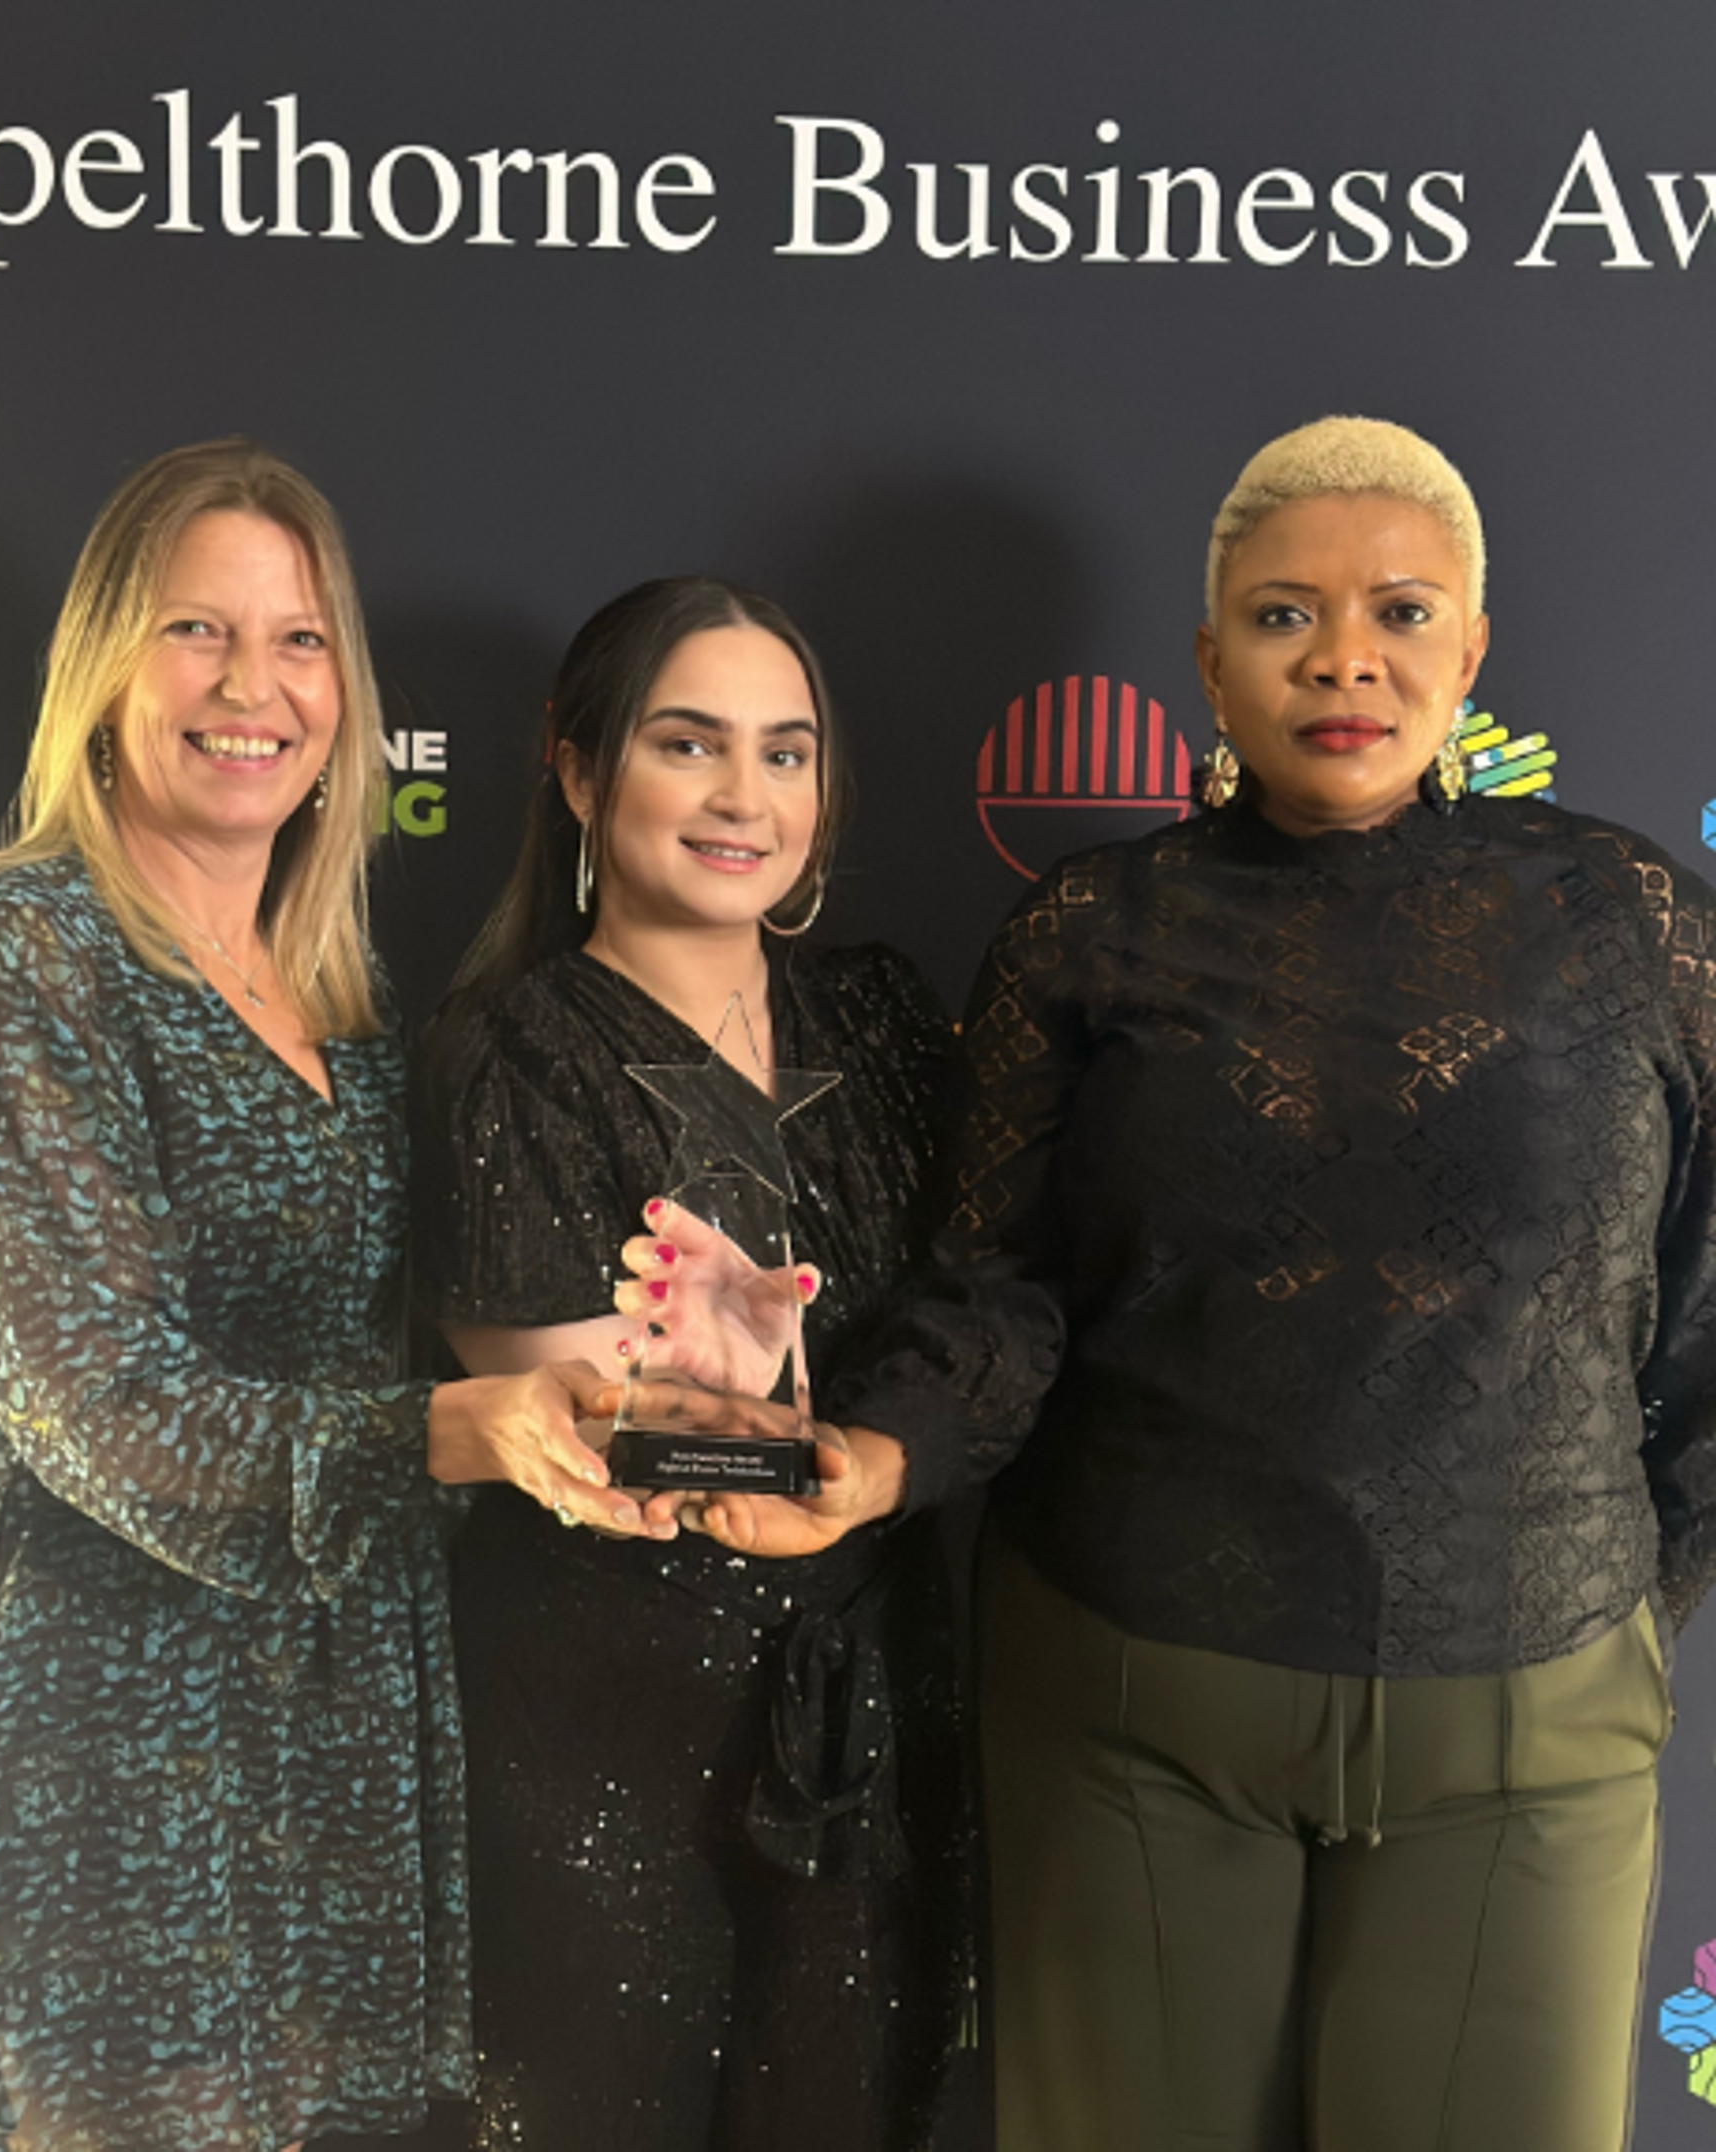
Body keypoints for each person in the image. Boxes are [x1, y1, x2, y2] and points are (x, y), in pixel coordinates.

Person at [687, 417, 1713, 2152]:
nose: (1344, 660)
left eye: (1401, 612)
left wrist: (1609, 1605)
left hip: (1534, 1725)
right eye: (1283, 615)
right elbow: (998, 1294)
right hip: (1131, 1708)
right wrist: (869, 1456)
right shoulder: (1090, 928)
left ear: (1471, 649)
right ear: (1208, 663)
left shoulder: (1627, 918)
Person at [0, 440, 640, 2152]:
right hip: (98, 1731)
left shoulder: (332, 982)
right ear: (107, 669)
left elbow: (394, 1330)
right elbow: (99, 1403)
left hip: (324, 1713)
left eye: (300, 640)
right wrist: (452, 1433)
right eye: (200, 630)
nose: (255, 687)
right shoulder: (12, 958)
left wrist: (656, 1358)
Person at [411, 576, 973, 2152]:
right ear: (581, 773)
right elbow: (588, 1442)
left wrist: (834, 1429)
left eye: (784, 752)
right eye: (688, 744)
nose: (745, 796)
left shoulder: (885, 1016)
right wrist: (738, 1406)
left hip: (873, 1719)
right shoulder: (504, 1052)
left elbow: (985, 1317)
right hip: (609, 1745)